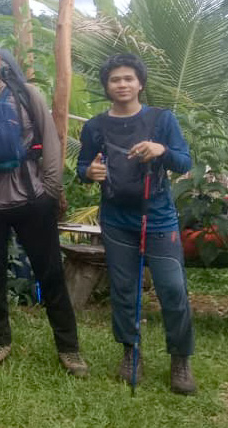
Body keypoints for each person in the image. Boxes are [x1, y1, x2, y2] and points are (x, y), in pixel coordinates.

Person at [0, 37, 87, 376]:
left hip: (31, 195)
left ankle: (69, 348)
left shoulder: (26, 94)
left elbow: (51, 143)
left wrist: (50, 192)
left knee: (50, 272)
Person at [77, 54, 196, 394]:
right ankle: (131, 352)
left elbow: (184, 159)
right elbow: (84, 166)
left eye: (128, 78)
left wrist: (161, 149)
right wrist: (89, 172)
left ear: (140, 83)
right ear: (107, 86)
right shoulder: (95, 126)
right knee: (124, 290)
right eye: (115, 79)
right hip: (116, 218)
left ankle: (181, 358)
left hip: (158, 215)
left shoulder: (161, 120)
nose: (122, 84)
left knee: (173, 289)